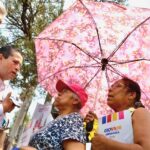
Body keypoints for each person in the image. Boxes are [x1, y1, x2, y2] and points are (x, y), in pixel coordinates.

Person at [20, 79, 87, 150]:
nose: (59, 93)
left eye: (65, 92)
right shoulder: (58, 120)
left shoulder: (74, 120)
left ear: (75, 100)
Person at [85, 77, 150, 150]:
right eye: (112, 86)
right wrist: (93, 129)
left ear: (131, 95)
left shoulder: (139, 112)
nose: (110, 89)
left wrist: (108, 144)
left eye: (118, 86)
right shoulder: (103, 121)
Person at [0, 45, 23, 117]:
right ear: (0, 58)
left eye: (20, 66)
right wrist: (3, 107)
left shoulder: (7, 90)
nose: (18, 68)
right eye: (15, 62)